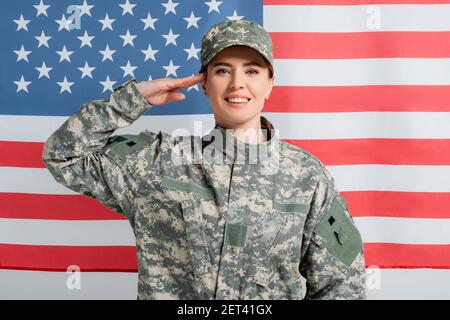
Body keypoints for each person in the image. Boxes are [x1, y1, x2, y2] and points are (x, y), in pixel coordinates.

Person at [43, 19, 366, 300]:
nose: (237, 83)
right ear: (204, 84)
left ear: (270, 83)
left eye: (252, 70)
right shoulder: (157, 160)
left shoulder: (306, 177)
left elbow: (341, 287)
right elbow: (64, 155)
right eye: (222, 70)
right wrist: (132, 100)